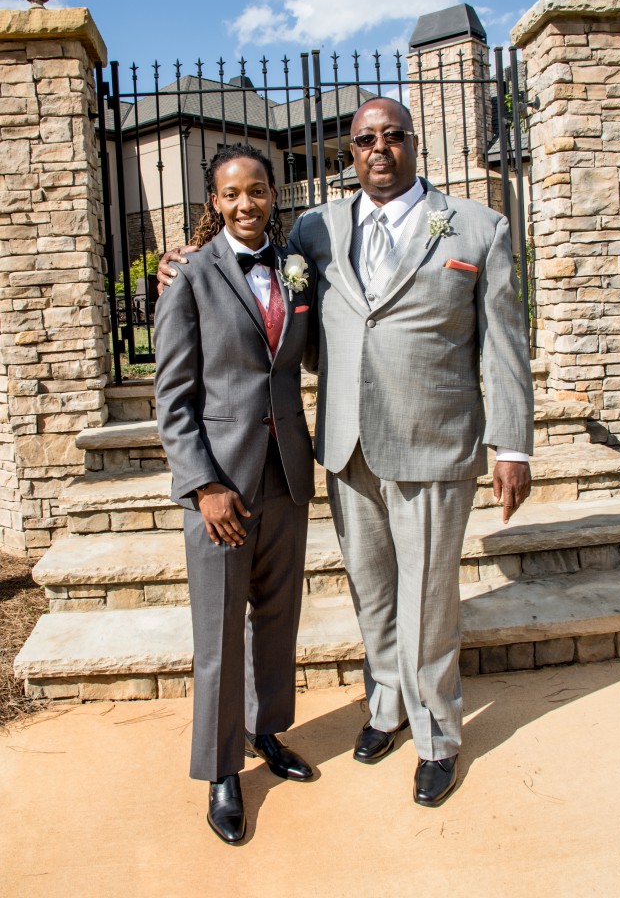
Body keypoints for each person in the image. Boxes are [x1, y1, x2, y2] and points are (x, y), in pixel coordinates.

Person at [158, 98, 533, 808]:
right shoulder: (316, 229)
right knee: (372, 591)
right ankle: (386, 707)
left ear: (414, 143)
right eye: (364, 139)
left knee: (428, 597)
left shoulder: (478, 227)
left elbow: (504, 344)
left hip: (434, 442)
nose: (378, 149)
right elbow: (250, 292)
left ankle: (437, 735)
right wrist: (179, 264)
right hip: (345, 446)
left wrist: (511, 444)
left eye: (392, 136)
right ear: (350, 152)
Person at [154, 144, 317, 845]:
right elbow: (173, 397)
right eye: (231, 194)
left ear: (272, 194)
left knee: (277, 616)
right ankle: (222, 770)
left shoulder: (296, 267)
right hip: (222, 484)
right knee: (219, 632)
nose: (245, 204)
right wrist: (203, 485)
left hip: (286, 472)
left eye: (257, 190)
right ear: (214, 202)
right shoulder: (189, 276)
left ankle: (265, 730)